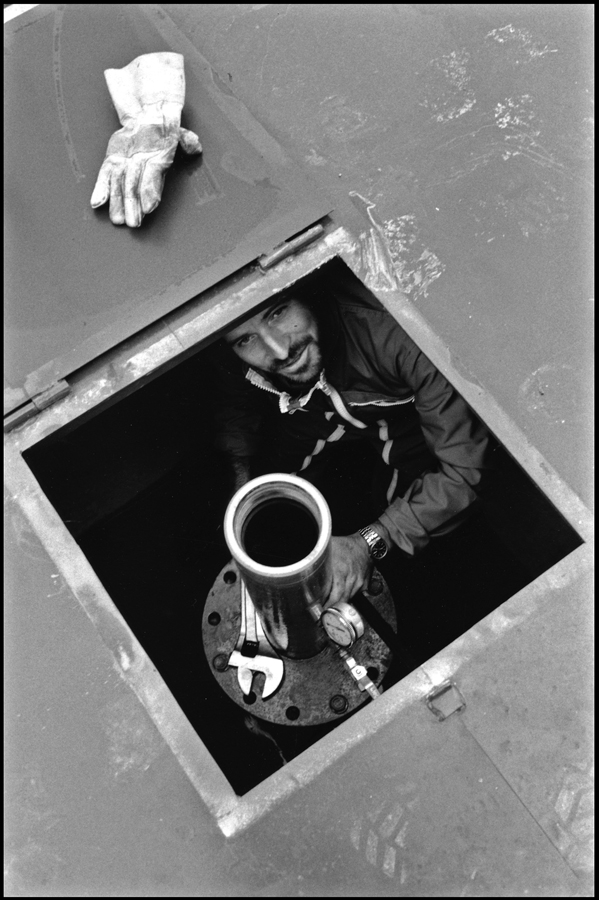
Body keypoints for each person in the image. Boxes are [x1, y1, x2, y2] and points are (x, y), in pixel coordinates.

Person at [213, 273, 493, 611]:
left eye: (278, 312)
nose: (280, 349)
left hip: (403, 429)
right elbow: (235, 403)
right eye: (246, 340)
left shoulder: (397, 336)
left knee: (410, 511)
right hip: (312, 414)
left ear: (305, 292)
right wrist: (243, 497)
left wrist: (370, 542)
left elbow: (465, 471)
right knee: (272, 504)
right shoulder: (244, 359)